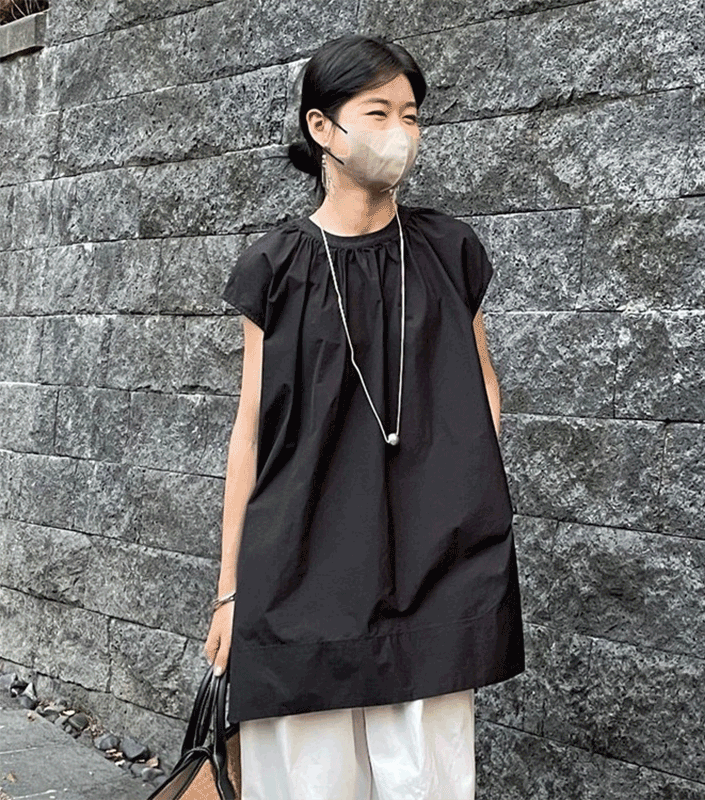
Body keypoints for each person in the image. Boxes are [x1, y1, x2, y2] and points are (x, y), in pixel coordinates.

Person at [204, 33, 525, 800]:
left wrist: (456, 514)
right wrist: (229, 589)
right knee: (306, 785)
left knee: (427, 784)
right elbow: (250, 429)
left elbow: (484, 390)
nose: (399, 132)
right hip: (298, 573)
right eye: (378, 112)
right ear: (322, 127)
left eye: (410, 115)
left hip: (432, 575)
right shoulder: (274, 266)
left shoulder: (449, 251)